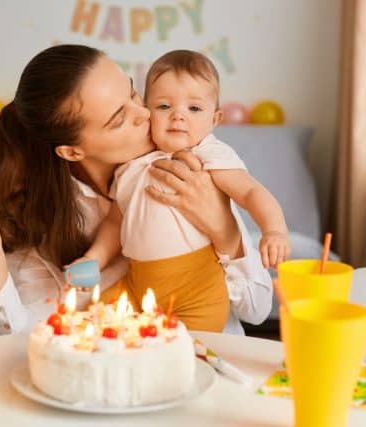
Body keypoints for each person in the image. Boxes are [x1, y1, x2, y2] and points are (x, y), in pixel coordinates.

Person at [0, 44, 272, 336]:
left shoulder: (184, 165)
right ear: (72, 151)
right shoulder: (41, 216)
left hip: (217, 361)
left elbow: (256, 310)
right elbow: (29, 341)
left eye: (133, 94)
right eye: (120, 119)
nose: (146, 114)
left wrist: (223, 228)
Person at [72, 50, 287, 332]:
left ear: (215, 119)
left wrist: (274, 229)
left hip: (195, 289)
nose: (178, 117)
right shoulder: (130, 165)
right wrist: (94, 259)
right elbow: (116, 220)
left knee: (189, 349)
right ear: (147, 111)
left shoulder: (208, 154)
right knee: (95, 326)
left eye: (194, 109)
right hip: (139, 284)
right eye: (163, 107)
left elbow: (251, 193)